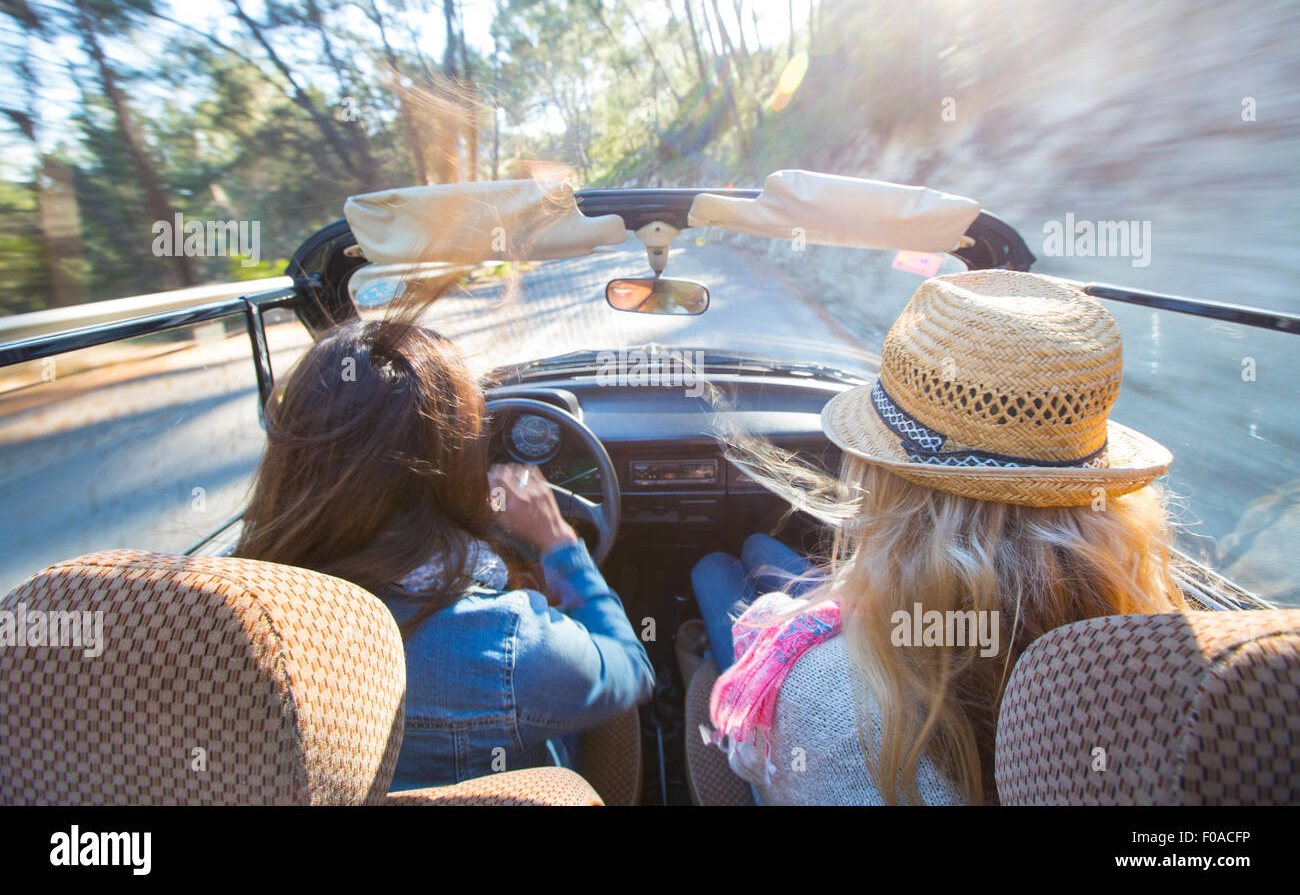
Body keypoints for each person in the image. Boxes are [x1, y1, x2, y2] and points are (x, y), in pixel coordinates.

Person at [692, 270, 1188, 805]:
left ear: (887, 481)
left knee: (715, 570)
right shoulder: (1156, 659)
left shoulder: (821, 690)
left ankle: (693, 644)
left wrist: (780, 630)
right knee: (758, 551)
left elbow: (750, 759)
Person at [235, 317, 654, 789]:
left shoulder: (233, 612)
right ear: (455, 468)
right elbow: (630, 669)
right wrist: (559, 542)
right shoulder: (508, 645)